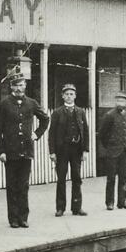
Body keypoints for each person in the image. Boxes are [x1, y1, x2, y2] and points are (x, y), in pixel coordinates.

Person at [0, 73, 50, 228]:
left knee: (23, 185)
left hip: (26, 151)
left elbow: (45, 119)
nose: (18, 88)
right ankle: (13, 219)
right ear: (11, 86)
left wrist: (36, 134)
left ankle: (23, 217)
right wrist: (1, 151)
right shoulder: (4, 104)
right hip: (10, 152)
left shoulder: (31, 103)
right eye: (15, 85)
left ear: (25, 85)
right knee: (12, 185)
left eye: (21, 85)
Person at [48, 83, 89, 217]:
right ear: (62, 96)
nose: (69, 96)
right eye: (66, 94)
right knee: (61, 179)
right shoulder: (57, 113)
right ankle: (60, 208)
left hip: (76, 150)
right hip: (62, 150)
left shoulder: (80, 112)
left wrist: (85, 150)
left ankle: (77, 207)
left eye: (71, 94)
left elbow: (86, 132)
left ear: (75, 96)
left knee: (77, 178)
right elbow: (51, 134)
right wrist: (52, 152)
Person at [99, 91, 126, 210]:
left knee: (124, 177)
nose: (121, 103)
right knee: (111, 178)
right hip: (112, 152)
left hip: (125, 152)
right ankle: (110, 202)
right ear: (115, 102)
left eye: (123, 100)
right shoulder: (109, 115)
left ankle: (122, 202)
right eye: (118, 100)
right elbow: (102, 134)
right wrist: (109, 146)